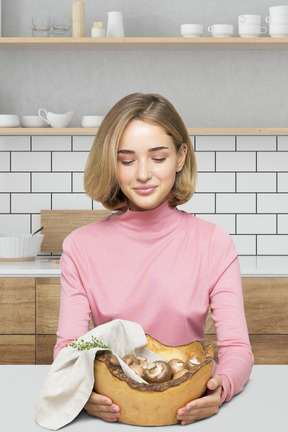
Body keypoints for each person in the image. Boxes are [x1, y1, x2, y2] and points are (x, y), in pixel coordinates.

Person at [54, 93, 254, 425]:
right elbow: (69, 350)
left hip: (191, 410)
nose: (143, 174)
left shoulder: (213, 243)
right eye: (127, 160)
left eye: (158, 157)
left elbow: (237, 348)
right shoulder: (80, 247)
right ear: (111, 163)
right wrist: (81, 392)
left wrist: (223, 387)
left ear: (180, 157)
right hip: (114, 414)